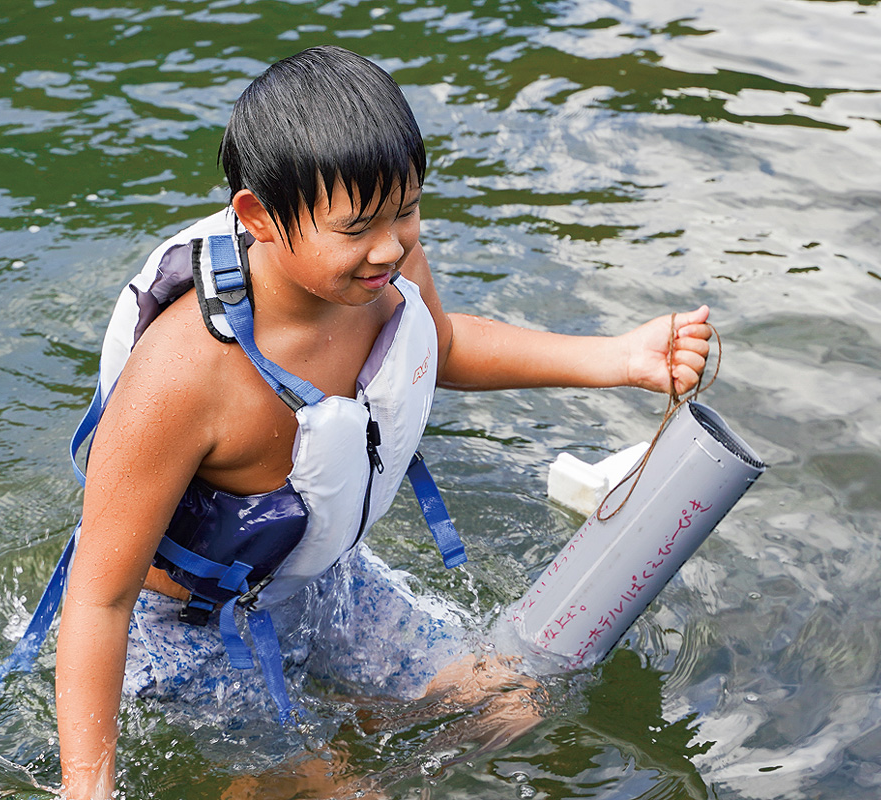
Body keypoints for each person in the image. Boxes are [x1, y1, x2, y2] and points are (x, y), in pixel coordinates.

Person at [54, 45, 712, 799]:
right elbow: (97, 598)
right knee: (339, 794)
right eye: (360, 226)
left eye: (408, 209)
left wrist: (622, 358)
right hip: (189, 636)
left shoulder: (383, 264)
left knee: (512, 700)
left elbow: (446, 344)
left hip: (321, 585)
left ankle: (340, 731)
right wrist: (88, 790)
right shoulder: (184, 375)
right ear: (258, 218)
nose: (392, 246)